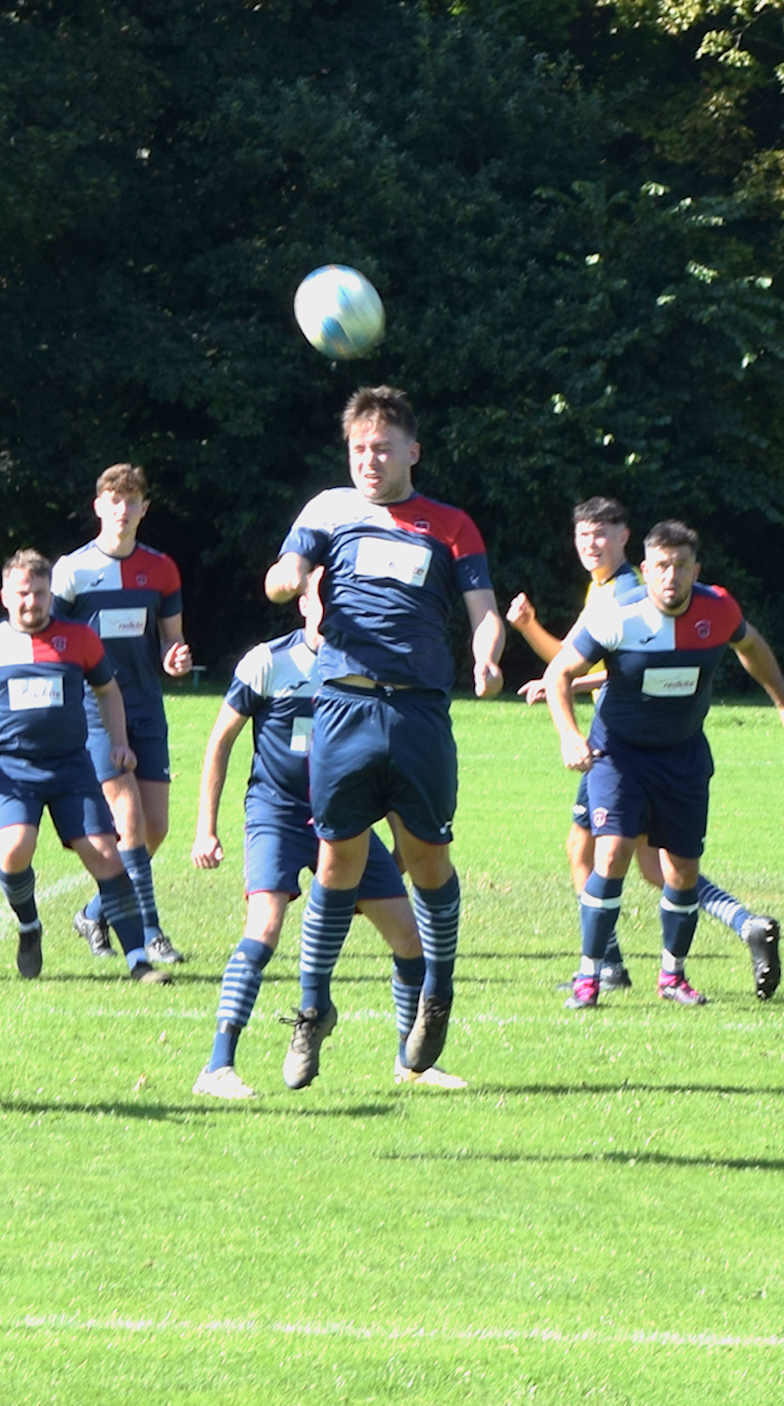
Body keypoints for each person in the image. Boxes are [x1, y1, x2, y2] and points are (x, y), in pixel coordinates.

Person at [262, 386, 503, 1085]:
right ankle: (312, 1011)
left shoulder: (450, 525)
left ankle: (438, 991)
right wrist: (286, 577)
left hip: (419, 713)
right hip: (342, 706)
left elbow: (484, 610)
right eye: (359, 449)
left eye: (383, 449)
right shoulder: (329, 510)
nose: (369, 460)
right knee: (337, 861)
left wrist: (487, 654)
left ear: (412, 452)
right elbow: (286, 571)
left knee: (427, 860)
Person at [190, 572, 465, 1097]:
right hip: (278, 812)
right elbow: (220, 740)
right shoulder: (269, 661)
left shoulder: (367, 668)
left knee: (410, 939)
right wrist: (206, 828)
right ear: (304, 603)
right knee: (264, 928)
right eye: (324, 598)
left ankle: (411, 1063)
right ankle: (217, 1067)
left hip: (345, 819)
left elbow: (385, 756)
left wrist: (400, 839)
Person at [505, 497, 784, 999]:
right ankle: (595, 972)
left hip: (681, 754)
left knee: (674, 868)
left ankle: (677, 969)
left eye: (681, 566)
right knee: (607, 852)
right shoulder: (613, 604)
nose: (671, 576)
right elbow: (571, 668)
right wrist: (570, 733)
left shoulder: (702, 606)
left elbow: (747, 644)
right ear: (647, 567)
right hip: (617, 752)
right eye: (661, 567)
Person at [0, 549, 173, 984]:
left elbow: (108, 691)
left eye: (40, 593)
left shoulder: (79, 638)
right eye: (23, 593)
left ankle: (138, 960)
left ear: (49, 594)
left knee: (105, 854)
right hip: (14, 770)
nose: (32, 602)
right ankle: (29, 926)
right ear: (5, 595)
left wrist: (119, 742)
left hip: (71, 768)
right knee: (13, 851)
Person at [52, 465, 192, 966]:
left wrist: (175, 658)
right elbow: (54, 641)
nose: (123, 510)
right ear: (98, 507)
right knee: (128, 822)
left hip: (146, 706)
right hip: (93, 708)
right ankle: (150, 933)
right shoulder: (71, 571)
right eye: (114, 500)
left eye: (132, 501)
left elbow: (171, 639)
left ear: (144, 508)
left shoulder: (162, 569)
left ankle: (95, 912)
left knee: (155, 827)